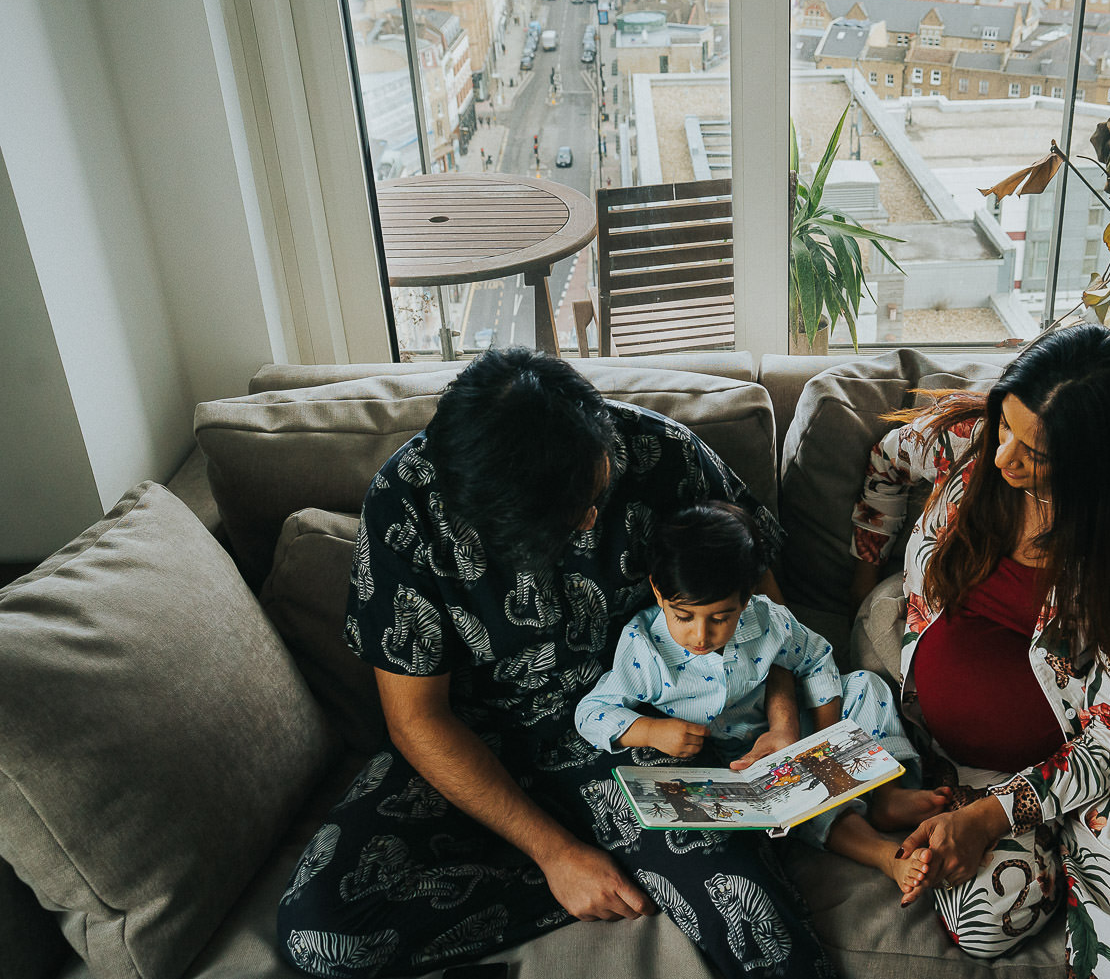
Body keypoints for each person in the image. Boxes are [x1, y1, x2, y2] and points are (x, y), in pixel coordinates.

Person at [278, 349, 836, 979]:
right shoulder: (406, 504)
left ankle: (639, 862)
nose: (594, 520)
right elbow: (417, 721)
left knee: (756, 926)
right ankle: (607, 866)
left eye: (593, 493)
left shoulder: (665, 456)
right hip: (475, 739)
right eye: (570, 520)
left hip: (636, 728)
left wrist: (782, 721)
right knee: (319, 932)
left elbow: (767, 618)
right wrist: (556, 853)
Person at [848, 324, 1110, 977]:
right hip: (971, 771)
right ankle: (1046, 835)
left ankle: (1081, 831)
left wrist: (997, 815)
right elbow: (886, 459)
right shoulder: (968, 443)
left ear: (1099, 465)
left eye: (1034, 453)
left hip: (1109, 754)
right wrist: (864, 569)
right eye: (1004, 426)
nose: (1001, 458)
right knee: (987, 920)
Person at [575, 502, 947, 887]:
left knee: (867, 686)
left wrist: (823, 740)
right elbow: (591, 712)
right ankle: (886, 856)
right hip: (744, 768)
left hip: (802, 728)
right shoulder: (644, 651)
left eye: (720, 618)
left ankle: (889, 793)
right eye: (683, 616)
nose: (701, 635)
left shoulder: (767, 619)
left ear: (747, 596)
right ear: (657, 590)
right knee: (803, 804)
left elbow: (817, 660)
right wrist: (651, 732)